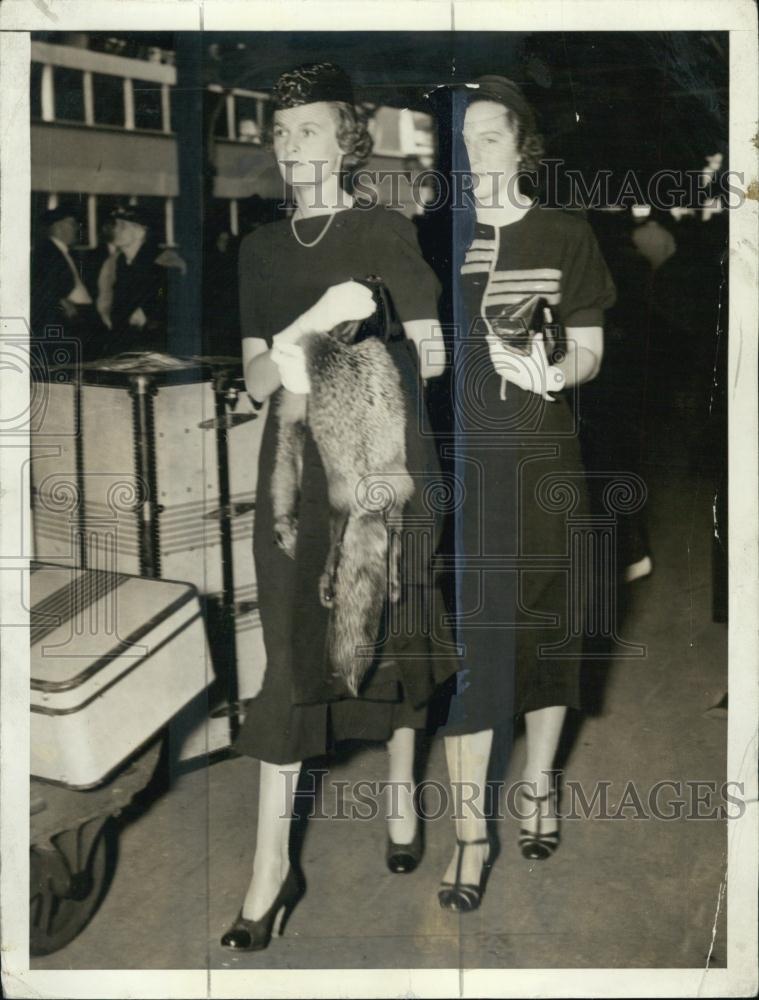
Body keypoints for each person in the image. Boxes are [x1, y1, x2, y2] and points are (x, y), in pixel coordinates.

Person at [221, 62, 452, 952]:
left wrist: (350, 367)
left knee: (393, 629)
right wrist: (313, 324)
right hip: (292, 487)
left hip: (385, 475)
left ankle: (401, 787)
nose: (291, 148)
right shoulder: (259, 251)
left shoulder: (383, 228)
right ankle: (270, 872)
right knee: (290, 660)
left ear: (347, 142)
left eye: (308, 130)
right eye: (280, 134)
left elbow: (428, 360)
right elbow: (251, 384)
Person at [436, 76, 616, 911]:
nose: (476, 152)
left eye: (490, 135)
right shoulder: (441, 238)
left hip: (542, 458)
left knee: (548, 631)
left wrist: (554, 369)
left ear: (522, 144)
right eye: (464, 138)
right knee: (471, 650)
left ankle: (539, 781)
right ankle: (471, 836)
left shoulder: (562, 232)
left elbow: (589, 350)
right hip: (462, 469)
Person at [98, 205, 186, 356]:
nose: (116, 230)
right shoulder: (115, 263)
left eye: (123, 226)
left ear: (140, 231)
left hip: (155, 341)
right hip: (121, 341)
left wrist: (147, 310)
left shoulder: (164, 259)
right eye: (116, 225)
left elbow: (164, 289)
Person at [31, 203, 101, 362]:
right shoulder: (45, 251)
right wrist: (61, 302)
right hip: (64, 320)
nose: (77, 228)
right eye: (73, 223)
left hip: (80, 318)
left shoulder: (68, 253)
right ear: (57, 226)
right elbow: (40, 287)